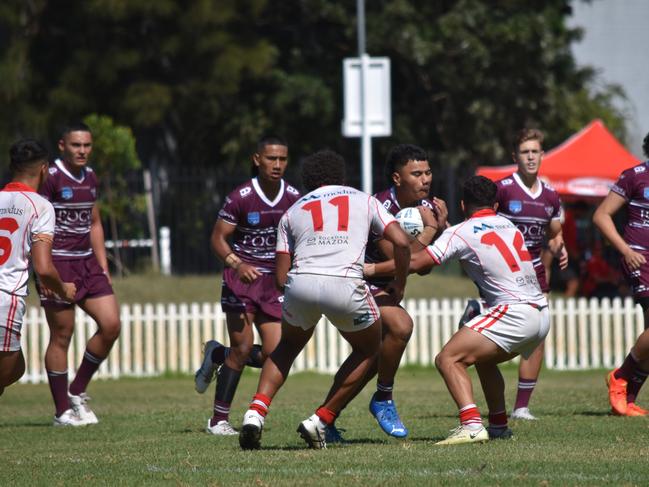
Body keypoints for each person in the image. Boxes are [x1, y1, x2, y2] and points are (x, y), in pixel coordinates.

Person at [238, 150, 411, 450]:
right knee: (373, 348)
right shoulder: (365, 199)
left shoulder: (293, 210)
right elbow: (401, 241)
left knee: (286, 348)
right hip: (345, 283)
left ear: (308, 181)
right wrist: (399, 283)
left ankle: (256, 411)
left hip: (300, 283)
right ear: (341, 176)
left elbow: (280, 277)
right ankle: (322, 418)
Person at [372, 176, 549, 444]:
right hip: (541, 314)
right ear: (496, 203)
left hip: (513, 313)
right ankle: (499, 425)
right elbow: (474, 238)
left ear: (463, 204)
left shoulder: (462, 232)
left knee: (448, 359)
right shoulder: (510, 226)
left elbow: (418, 262)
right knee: (483, 359)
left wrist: (370, 268)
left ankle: (471, 425)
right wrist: (444, 227)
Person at [328, 144, 445, 440]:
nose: (425, 179)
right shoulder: (381, 207)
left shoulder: (428, 208)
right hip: (352, 283)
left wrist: (437, 230)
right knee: (401, 326)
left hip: (376, 284)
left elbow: (423, 266)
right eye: (416, 174)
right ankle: (383, 398)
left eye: (428, 172)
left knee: (371, 358)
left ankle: (325, 418)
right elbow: (399, 257)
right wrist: (433, 231)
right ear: (397, 178)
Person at [194, 135, 300, 435]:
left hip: (273, 283)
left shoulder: (293, 196)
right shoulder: (241, 196)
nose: (277, 165)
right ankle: (218, 420)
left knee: (275, 353)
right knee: (241, 348)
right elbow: (217, 238)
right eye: (271, 159)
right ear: (257, 159)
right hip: (240, 280)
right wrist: (237, 264)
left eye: (282, 159)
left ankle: (216, 355)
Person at [461, 128, 567, 420]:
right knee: (492, 339)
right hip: (502, 275)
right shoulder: (504, 189)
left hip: (535, 274)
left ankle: (521, 407)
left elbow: (554, 233)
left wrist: (560, 247)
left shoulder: (551, 195)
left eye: (535, 151)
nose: (530, 157)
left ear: (542, 155)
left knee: (537, 336)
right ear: (515, 157)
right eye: (525, 152)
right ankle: (477, 316)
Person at [39, 123, 121, 426]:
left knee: (111, 325)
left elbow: (95, 222)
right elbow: (38, 223)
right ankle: (62, 411)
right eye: (76, 145)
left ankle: (77, 390)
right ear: (62, 146)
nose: (83, 151)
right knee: (62, 335)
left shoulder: (90, 177)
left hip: (87, 263)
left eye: (87, 145)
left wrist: (103, 266)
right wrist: (44, 273)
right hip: (57, 264)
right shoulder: (51, 178)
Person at [0, 140, 76, 399]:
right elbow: (43, 268)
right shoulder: (40, 206)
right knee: (9, 371)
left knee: (15, 369)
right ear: (44, 169)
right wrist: (64, 289)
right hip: (5, 298)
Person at [594, 131, 649, 416]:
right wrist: (626, 251)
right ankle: (620, 377)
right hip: (641, 259)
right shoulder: (635, 176)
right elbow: (601, 215)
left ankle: (626, 401)